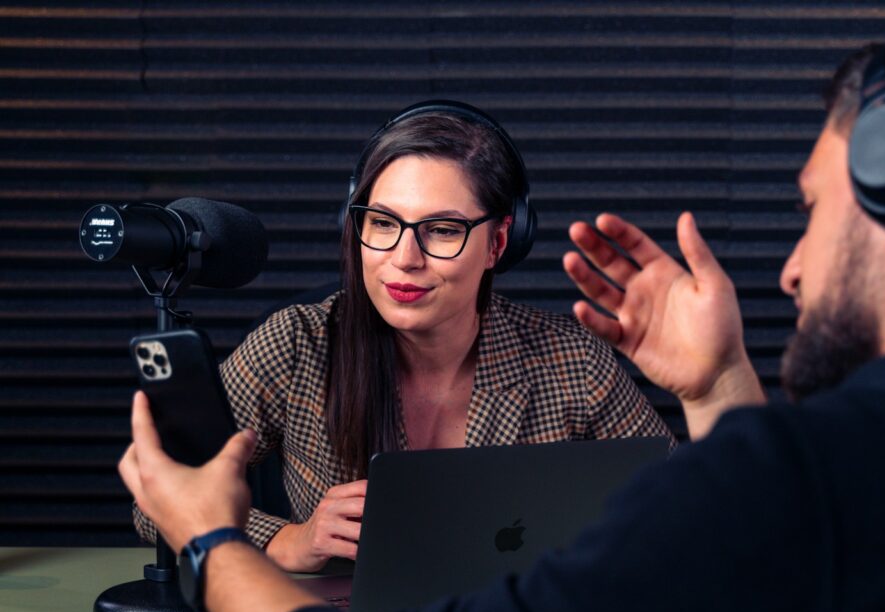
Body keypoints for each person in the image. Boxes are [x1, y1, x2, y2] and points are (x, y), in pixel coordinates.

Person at [120, 2, 885, 612]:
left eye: (810, 211)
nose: (791, 269)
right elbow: (742, 556)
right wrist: (717, 389)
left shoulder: (618, 387)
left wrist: (216, 539)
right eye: (381, 225)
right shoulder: (298, 343)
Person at [131, 101, 673, 572]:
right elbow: (160, 494)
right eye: (383, 223)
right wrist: (286, 540)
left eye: (442, 230)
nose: (404, 260)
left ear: (498, 242)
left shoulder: (571, 363)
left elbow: (685, 509)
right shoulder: (297, 344)